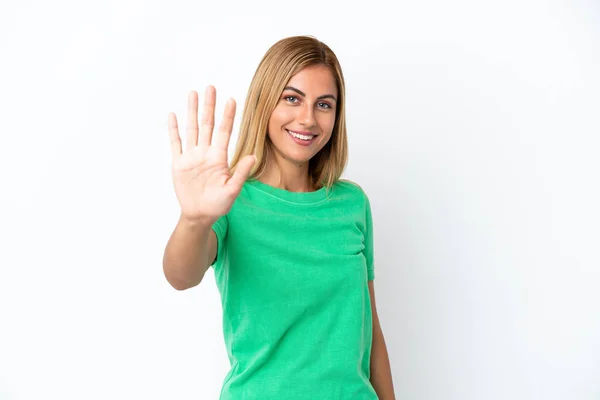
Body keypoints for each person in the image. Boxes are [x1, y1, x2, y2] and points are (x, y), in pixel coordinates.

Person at [163, 35, 395, 399]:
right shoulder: (229, 199)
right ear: (264, 102)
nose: (308, 118)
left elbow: (372, 331)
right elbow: (180, 275)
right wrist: (193, 219)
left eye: (324, 104)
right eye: (292, 98)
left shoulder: (352, 203)